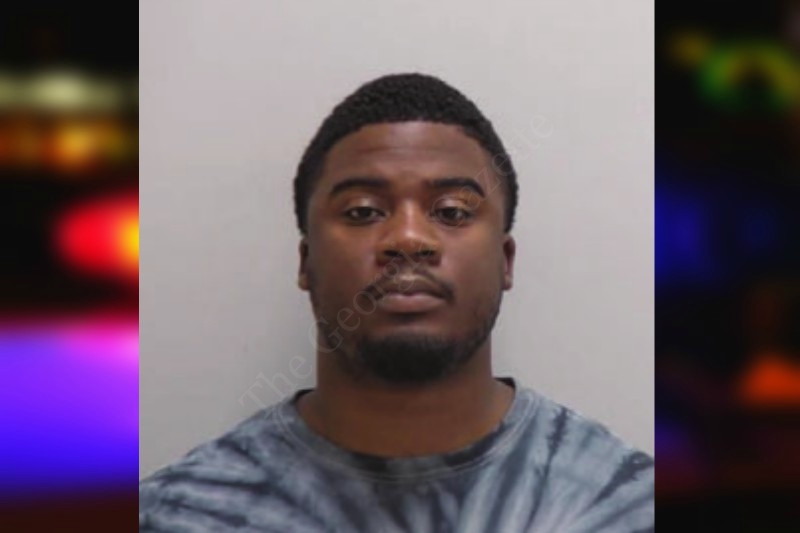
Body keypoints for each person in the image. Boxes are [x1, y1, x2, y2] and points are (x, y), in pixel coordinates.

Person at [139, 73, 654, 532]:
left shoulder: (624, 507)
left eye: (451, 212)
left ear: (506, 261)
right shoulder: (180, 515)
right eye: (363, 211)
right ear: (306, 261)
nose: (408, 238)